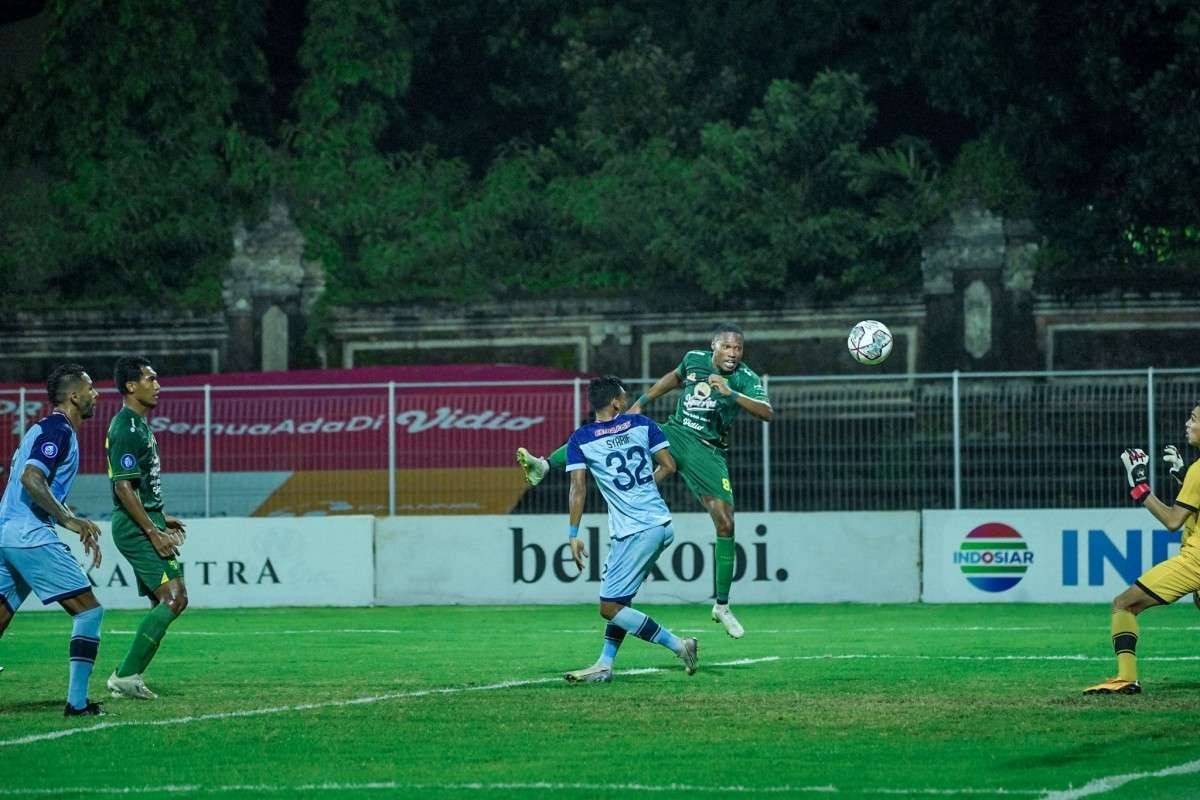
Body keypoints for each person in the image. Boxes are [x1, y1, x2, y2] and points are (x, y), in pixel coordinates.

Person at [518, 322, 772, 638]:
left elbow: (767, 413)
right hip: (675, 433)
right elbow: (674, 377)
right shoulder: (694, 360)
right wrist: (643, 401)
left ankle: (721, 606)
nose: (733, 353)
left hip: (707, 452)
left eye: (738, 348)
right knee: (611, 428)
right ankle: (543, 465)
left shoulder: (744, 378)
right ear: (714, 346)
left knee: (726, 524)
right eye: (727, 347)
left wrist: (731, 393)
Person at [561, 375, 698, 683]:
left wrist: (572, 535)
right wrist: (643, 488)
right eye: (623, 395)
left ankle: (680, 646)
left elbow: (578, 488)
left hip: (638, 530)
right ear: (616, 402)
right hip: (654, 524)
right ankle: (605, 664)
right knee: (619, 603)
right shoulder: (642, 425)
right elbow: (669, 466)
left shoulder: (581, 439)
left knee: (609, 607)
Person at [0, 364, 105, 716]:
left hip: (7, 532)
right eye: (90, 388)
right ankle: (77, 703)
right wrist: (67, 519)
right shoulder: (58, 429)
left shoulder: (44, 429)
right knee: (88, 611)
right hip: (29, 534)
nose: (96, 394)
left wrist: (64, 512)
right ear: (74, 395)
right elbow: (32, 477)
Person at [1083, 403, 1200, 695]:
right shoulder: (1195, 472)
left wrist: (1140, 486)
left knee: (1124, 604)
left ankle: (1126, 677)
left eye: (1194, 419)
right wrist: (1181, 475)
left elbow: (1174, 521)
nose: (1187, 423)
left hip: (1196, 561)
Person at [104, 356, 188, 700]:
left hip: (146, 521)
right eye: (150, 379)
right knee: (174, 598)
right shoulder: (126, 427)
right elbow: (123, 488)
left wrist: (159, 517)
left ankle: (129, 675)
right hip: (136, 528)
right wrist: (153, 530)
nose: (158, 385)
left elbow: (139, 486)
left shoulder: (139, 425)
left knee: (167, 599)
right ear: (131, 386)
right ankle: (125, 676)